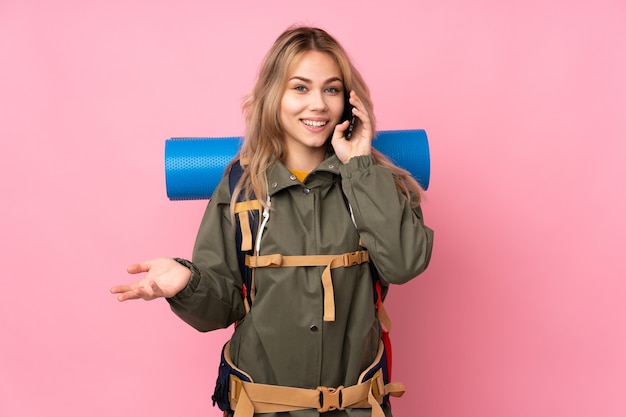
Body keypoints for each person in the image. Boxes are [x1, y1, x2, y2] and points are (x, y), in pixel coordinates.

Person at [111, 25, 434, 417]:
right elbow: (220, 307)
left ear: (350, 102)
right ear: (273, 96)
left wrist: (362, 166)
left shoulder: (378, 183)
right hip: (260, 409)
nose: (317, 104)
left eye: (331, 89)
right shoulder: (239, 189)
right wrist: (186, 282)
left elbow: (404, 263)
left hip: (356, 409)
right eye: (300, 88)